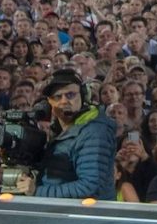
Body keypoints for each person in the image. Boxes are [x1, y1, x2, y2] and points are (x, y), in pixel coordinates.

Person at [29, 69, 117, 200]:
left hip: (87, 217)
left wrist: (36, 191)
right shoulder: (59, 131)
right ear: (50, 103)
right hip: (64, 214)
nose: (64, 101)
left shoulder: (94, 131)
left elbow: (88, 187)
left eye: (70, 95)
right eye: (57, 97)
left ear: (84, 96)